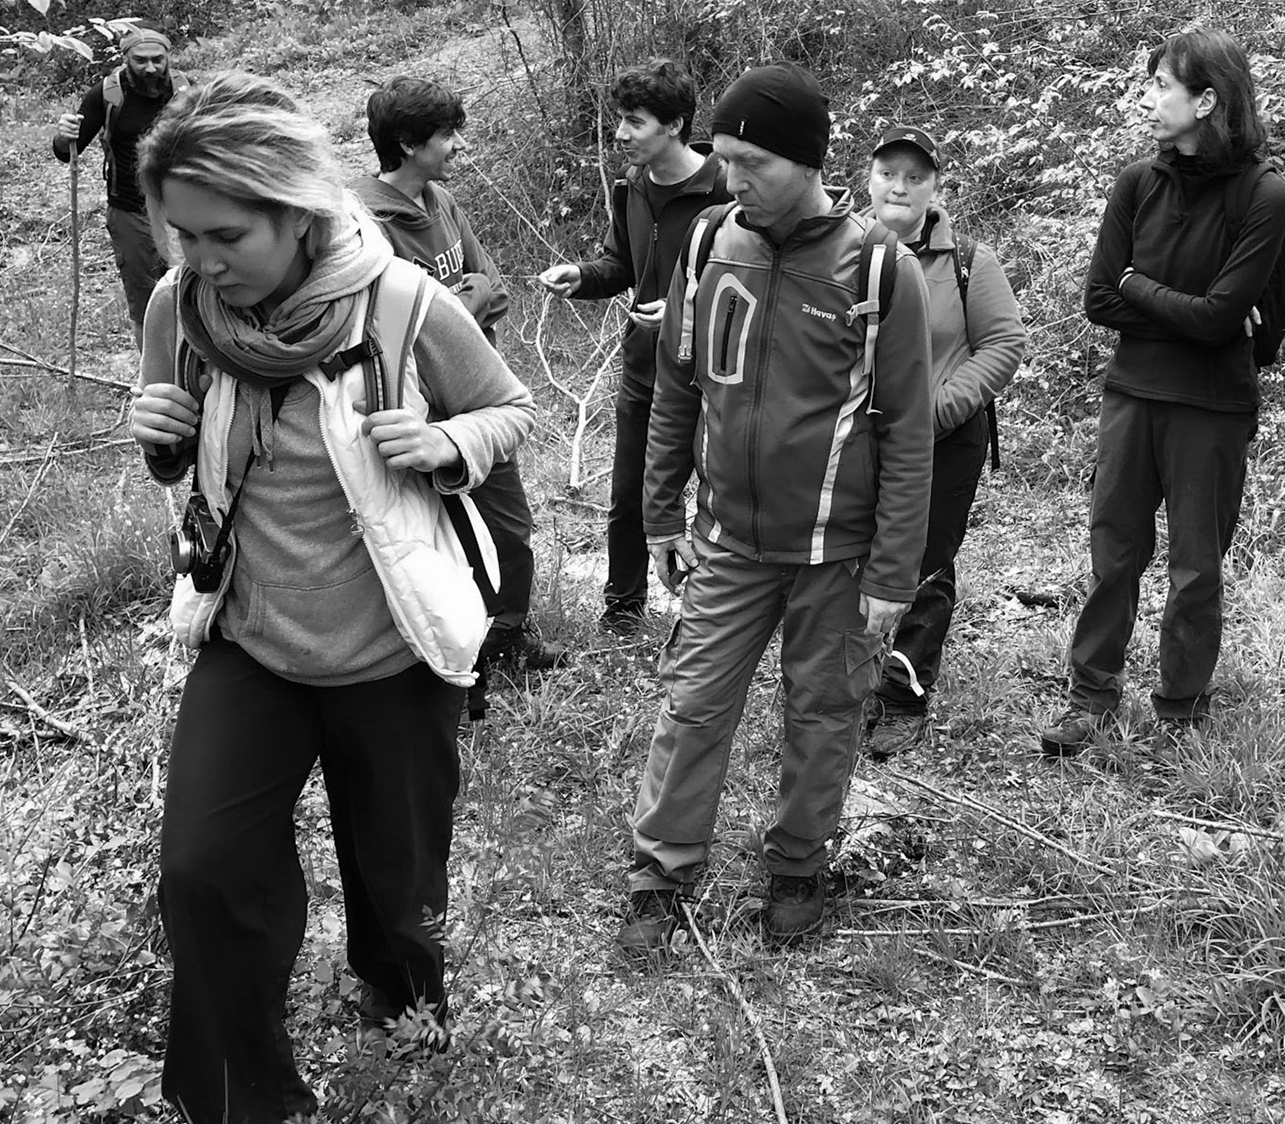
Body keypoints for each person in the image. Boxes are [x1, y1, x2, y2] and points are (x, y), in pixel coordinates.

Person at [126, 73, 536, 1124]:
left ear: (296, 211)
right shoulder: (183, 307)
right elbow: (186, 462)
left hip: (393, 651)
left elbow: (510, 409)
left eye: (226, 235)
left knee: (399, 886)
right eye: (183, 235)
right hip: (249, 639)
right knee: (204, 873)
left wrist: (448, 444)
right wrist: (158, 435)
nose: (202, 259)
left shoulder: (403, 305)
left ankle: (404, 1022)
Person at [619, 63, 933, 956]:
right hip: (726, 539)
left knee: (823, 708)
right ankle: (660, 875)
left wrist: (892, 573)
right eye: (724, 158)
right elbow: (679, 385)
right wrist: (661, 512)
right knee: (693, 703)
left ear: (805, 161)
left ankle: (799, 866)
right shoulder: (709, 242)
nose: (732, 178)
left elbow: (909, 431)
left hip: (835, 550)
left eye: (752, 161)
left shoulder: (878, 268)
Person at [1040, 28, 1285, 758]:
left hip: (1212, 408)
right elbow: (1098, 299)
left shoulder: (1264, 194)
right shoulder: (1136, 183)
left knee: (1195, 567)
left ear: (1208, 101)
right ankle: (1090, 696)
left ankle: (1181, 709)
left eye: (1162, 87)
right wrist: (1192, 310)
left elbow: (1229, 321)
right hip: (1132, 393)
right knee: (1113, 551)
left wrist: (1139, 288)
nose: (1148, 100)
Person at [350, 76, 565, 691]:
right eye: (446, 135)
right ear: (409, 143)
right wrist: (455, 307)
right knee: (445, 538)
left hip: (476, 403)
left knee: (508, 523)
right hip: (421, 417)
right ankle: (456, 650)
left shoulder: (440, 202)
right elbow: (389, 329)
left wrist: (450, 307)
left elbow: (491, 282)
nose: (457, 145)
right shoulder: (368, 225)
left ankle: (509, 635)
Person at [537, 60, 729, 634]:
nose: (619, 134)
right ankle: (622, 611)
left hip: (719, 376)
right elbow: (623, 264)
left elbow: (755, 281)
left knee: (722, 495)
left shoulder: (726, 188)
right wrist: (583, 275)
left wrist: (684, 313)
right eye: (619, 120)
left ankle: (718, 611)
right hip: (646, 370)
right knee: (629, 494)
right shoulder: (633, 188)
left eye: (633, 121)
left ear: (673, 125)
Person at [859, 126, 1026, 759]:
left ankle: (902, 694)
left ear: (935, 187)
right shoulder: (844, 248)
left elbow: (1004, 343)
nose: (898, 187)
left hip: (943, 438)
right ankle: (844, 679)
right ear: (869, 178)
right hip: (856, 437)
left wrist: (937, 410)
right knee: (851, 553)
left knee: (925, 561)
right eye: (887, 173)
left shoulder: (967, 261)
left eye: (914, 177)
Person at [52, 25, 183, 346]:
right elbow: (65, 152)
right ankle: (153, 379)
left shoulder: (186, 92)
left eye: (158, 59)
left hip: (183, 210)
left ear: (168, 57)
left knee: (194, 293)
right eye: (141, 60)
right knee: (148, 304)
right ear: (125, 59)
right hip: (130, 211)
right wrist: (63, 135)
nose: (150, 67)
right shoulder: (106, 94)